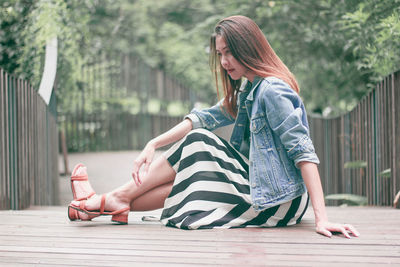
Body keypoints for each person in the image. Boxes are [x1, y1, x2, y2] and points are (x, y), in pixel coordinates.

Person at [69, 15, 359, 238]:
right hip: (263, 191)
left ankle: (109, 199)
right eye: (220, 54)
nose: (224, 62)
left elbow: (303, 152)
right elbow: (204, 117)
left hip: (281, 201)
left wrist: (322, 218)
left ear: (248, 48)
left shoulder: (272, 90)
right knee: (193, 176)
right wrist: (152, 144)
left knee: (200, 142)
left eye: (229, 53)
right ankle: (104, 205)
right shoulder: (249, 89)